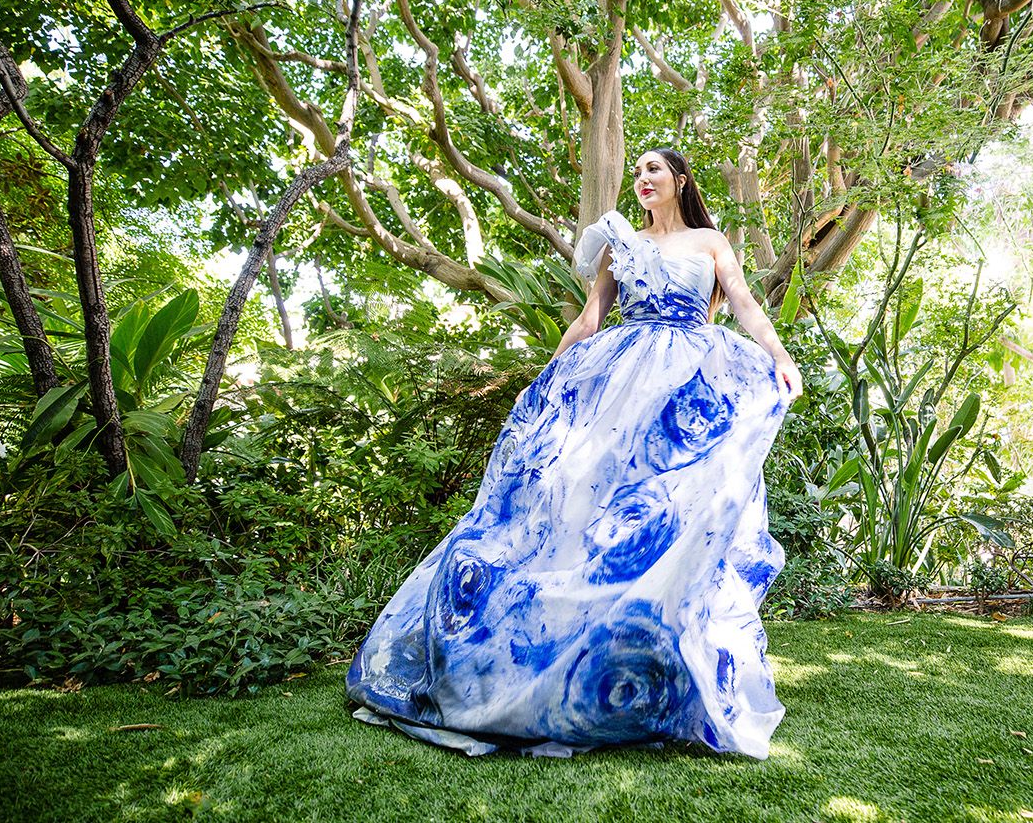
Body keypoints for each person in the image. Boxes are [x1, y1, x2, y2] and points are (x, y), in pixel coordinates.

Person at [345, 146, 804, 759]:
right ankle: (560, 655)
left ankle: (663, 657)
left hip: (686, 383)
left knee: (678, 509)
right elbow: (592, 318)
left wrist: (778, 356)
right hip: (618, 383)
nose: (641, 179)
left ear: (680, 180)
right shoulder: (617, 243)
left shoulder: (710, 241)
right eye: (636, 171)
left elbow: (743, 302)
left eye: (654, 170)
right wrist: (549, 375)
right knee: (588, 511)